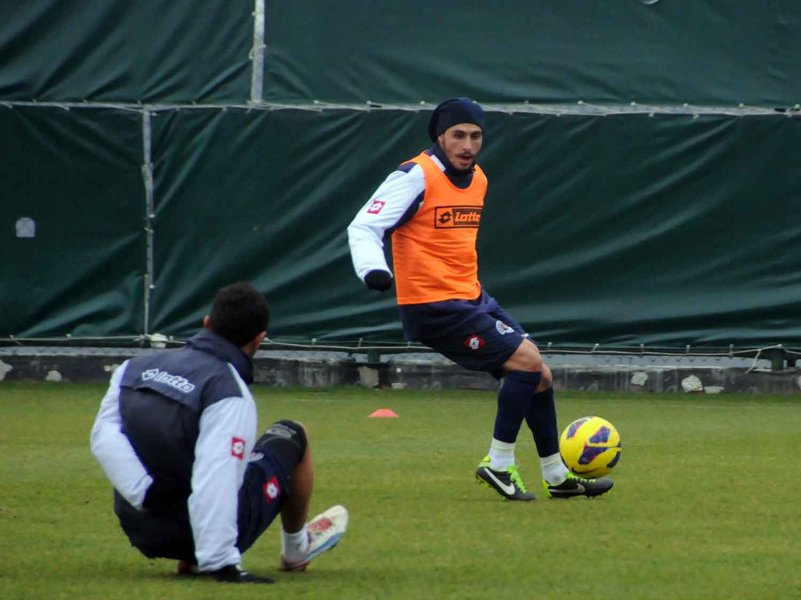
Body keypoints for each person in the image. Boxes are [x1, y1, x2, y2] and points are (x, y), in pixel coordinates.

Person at [347, 97, 613, 501]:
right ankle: (499, 464)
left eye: (475, 136)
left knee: (539, 375)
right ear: (440, 136)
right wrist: (373, 269)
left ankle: (557, 476)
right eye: (458, 135)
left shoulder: (479, 179)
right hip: (433, 305)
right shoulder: (414, 176)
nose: (467, 145)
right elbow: (364, 226)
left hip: (471, 297)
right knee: (526, 361)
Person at [90, 282, 348, 583]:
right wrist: (220, 563)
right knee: (292, 433)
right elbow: (216, 476)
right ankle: (296, 550)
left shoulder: (131, 368)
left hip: (139, 525)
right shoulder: (228, 392)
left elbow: (103, 435)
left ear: (206, 323)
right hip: (190, 533)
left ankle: (194, 557)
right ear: (259, 340)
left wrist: (144, 491)